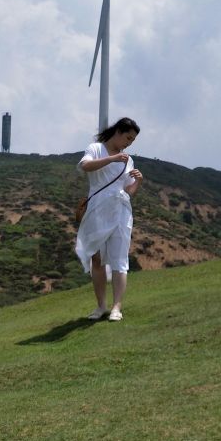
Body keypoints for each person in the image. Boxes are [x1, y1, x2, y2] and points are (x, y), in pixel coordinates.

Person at [75, 117, 143, 322]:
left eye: (132, 141)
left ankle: (116, 307)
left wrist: (138, 182)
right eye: (128, 138)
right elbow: (85, 166)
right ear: (118, 132)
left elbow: (128, 191)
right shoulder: (96, 148)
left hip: (120, 210)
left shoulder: (128, 160)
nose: (129, 143)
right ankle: (101, 306)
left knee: (119, 258)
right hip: (97, 209)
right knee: (96, 258)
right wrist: (112, 159)